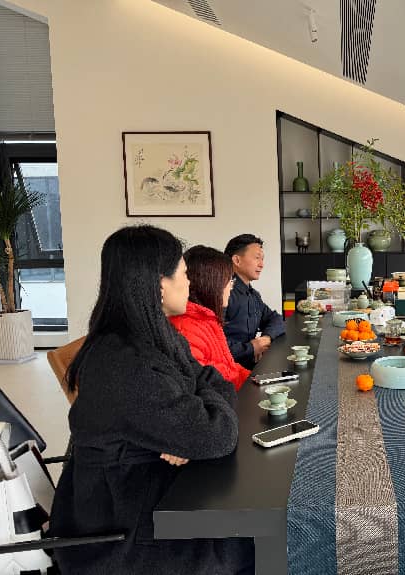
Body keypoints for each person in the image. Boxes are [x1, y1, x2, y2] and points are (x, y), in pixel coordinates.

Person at [49, 225, 254, 575]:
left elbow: (213, 380)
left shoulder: (154, 336)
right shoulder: (124, 363)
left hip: (150, 498)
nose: (189, 283)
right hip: (121, 536)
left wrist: (190, 429)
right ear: (159, 284)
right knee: (258, 541)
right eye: (184, 274)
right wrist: (195, 427)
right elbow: (217, 435)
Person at [169, 245, 251, 390]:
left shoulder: (208, 319)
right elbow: (209, 385)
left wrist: (256, 380)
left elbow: (230, 368)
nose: (231, 288)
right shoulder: (186, 329)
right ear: (212, 284)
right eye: (229, 281)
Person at [223, 234, 285, 368]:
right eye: (257, 258)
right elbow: (215, 346)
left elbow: (276, 319)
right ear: (237, 260)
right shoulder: (223, 294)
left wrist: (266, 338)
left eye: (262, 259)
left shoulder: (253, 295)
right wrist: (251, 348)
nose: (261, 265)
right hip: (230, 370)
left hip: (251, 365)